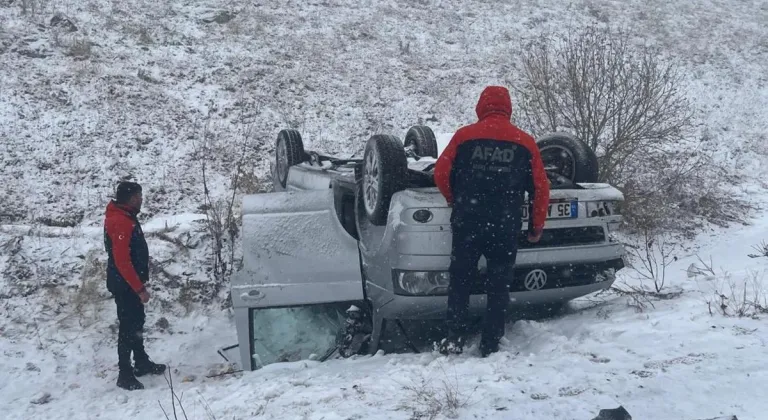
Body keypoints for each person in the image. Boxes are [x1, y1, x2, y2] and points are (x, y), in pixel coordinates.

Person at [433, 85, 550, 357]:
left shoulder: (464, 137)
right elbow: (541, 188)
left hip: (467, 221)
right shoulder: (525, 141)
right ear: (508, 108)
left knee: (460, 280)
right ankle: (490, 342)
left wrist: (454, 197)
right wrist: (536, 226)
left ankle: (454, 338)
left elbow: (440, 172)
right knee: (499, 284)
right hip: (505, 224)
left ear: (480, 107)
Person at [104, 181, 166, 390]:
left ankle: (141, 362)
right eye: (139, 197)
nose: (142, 200)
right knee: (128, 327)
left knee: (136, 321)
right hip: (125, 284)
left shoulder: (125, 216)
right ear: (130, 199)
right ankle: (125, 374)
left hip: (129, 282)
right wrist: (138, 288)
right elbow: (122, 261)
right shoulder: (120, 221)